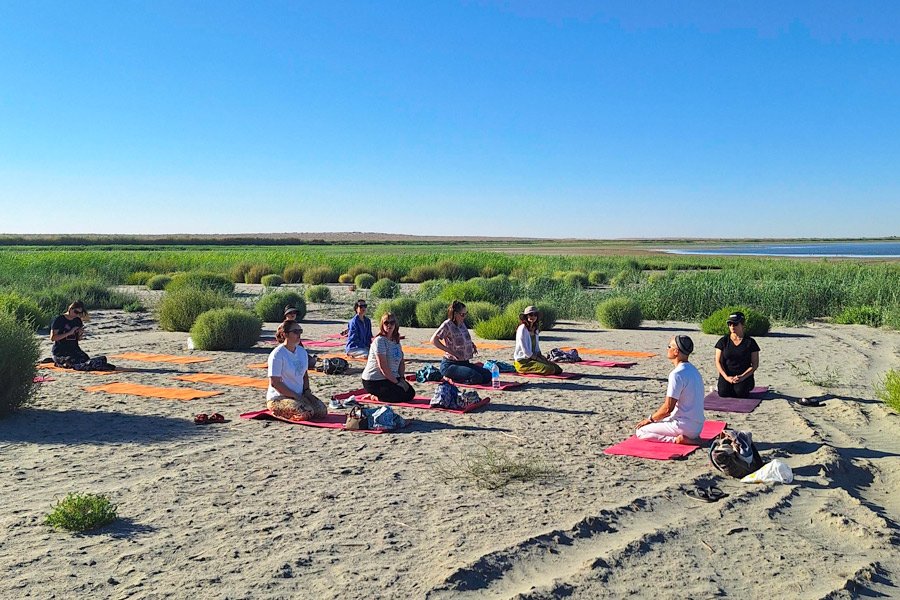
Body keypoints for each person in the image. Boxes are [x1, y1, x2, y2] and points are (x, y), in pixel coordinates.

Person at [634, 335, 705, 445]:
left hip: (683, 426)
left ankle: (677, 440)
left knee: (641, 431)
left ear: (676, 351)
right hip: (698, 426)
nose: (667, 349)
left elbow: (668, 409)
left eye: (669, 346)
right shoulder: (694, 371)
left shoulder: (677, 374)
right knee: (659, 422)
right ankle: (690, 437)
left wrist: (649, 419)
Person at [266, 320, 327, 420]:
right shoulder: (277, 354)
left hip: (299, 394)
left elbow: (304, 375)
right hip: (279, 397)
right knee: (306, 412)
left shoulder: (301, 351)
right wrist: (296, 397)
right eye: (295, 332)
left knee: (321, 411)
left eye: (300, 331)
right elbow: (275, 383)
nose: (299, 334)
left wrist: (307, 392)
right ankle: (278, 412)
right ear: (285, 334)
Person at [430, 300, 492, 385]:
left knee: (487, 376)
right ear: (455, 314)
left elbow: (463, 338)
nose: (464, 317)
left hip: (464, 362)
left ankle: (459, 376)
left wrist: (472, 345)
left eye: (465, 314)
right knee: (476, 378)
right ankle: (451, 378)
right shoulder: (447, 325)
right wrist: (451, 351)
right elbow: (433, 340)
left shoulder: (461, 324)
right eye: (462, 314)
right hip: (451, 364)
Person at [361, 312, 415, 403]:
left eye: (392, 323)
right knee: (398, 396)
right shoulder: (380, 341)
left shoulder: (396, 341)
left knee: (410, 393)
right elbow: (383, 366)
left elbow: (401, 362)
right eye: (386, 323)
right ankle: (375, 396)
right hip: (375, 380)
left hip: (390, 377)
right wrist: (397, 383)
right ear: (382, 325)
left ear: (395, 324)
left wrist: (402, 379)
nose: (389, 325)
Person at [714, 311, 760, 398]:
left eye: (735, 324)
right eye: (730, 324)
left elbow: (754, 364)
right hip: (727, 373)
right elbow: (718, 362)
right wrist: (726, 377)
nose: (732, 326)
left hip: (743, 375)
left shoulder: (750, 342)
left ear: (742, 324)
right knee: (723, 393)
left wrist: (742, 377)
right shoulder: (723, 341)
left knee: (741, 393)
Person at [49, 301, 102, 369]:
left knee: (86, 360)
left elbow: (78, 339)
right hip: (60, 351)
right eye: (76, 312)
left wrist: (80, 334)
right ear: (70, 309)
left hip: (74, 349)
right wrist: (69, 333)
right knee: (70, 362)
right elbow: (53, 338)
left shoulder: (77, 321)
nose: (77, 315)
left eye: (79, 313)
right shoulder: (59, 320)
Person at [513, 305, 562, 375]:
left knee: (557, 369)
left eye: (535, 315)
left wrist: (541, 357)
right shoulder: (522, 329)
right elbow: (526, 351)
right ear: (526, 316)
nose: (533, 317)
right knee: (549, 369)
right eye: (530, 314)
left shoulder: (535, 329)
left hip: (533, 358)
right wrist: (538, 359)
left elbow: (536, 348)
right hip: (523, 362)